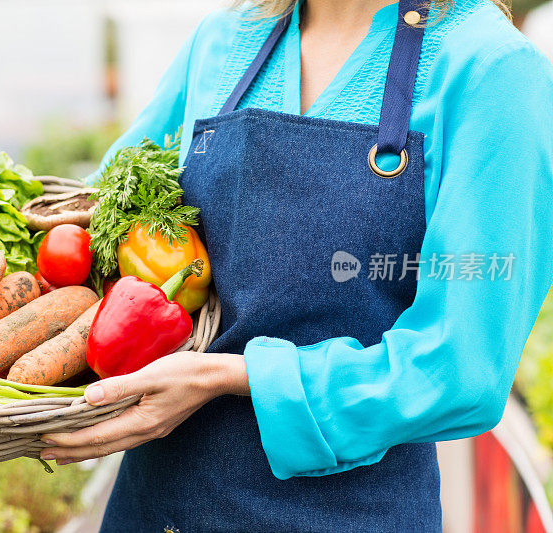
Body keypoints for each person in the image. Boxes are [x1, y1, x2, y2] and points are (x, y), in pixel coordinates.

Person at [40, 0, 553, 530]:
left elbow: (461, 367)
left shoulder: (489, 68)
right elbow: (98, 222)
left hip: (346, 515)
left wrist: (226, 377)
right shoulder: (225, 38)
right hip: (157, 507)